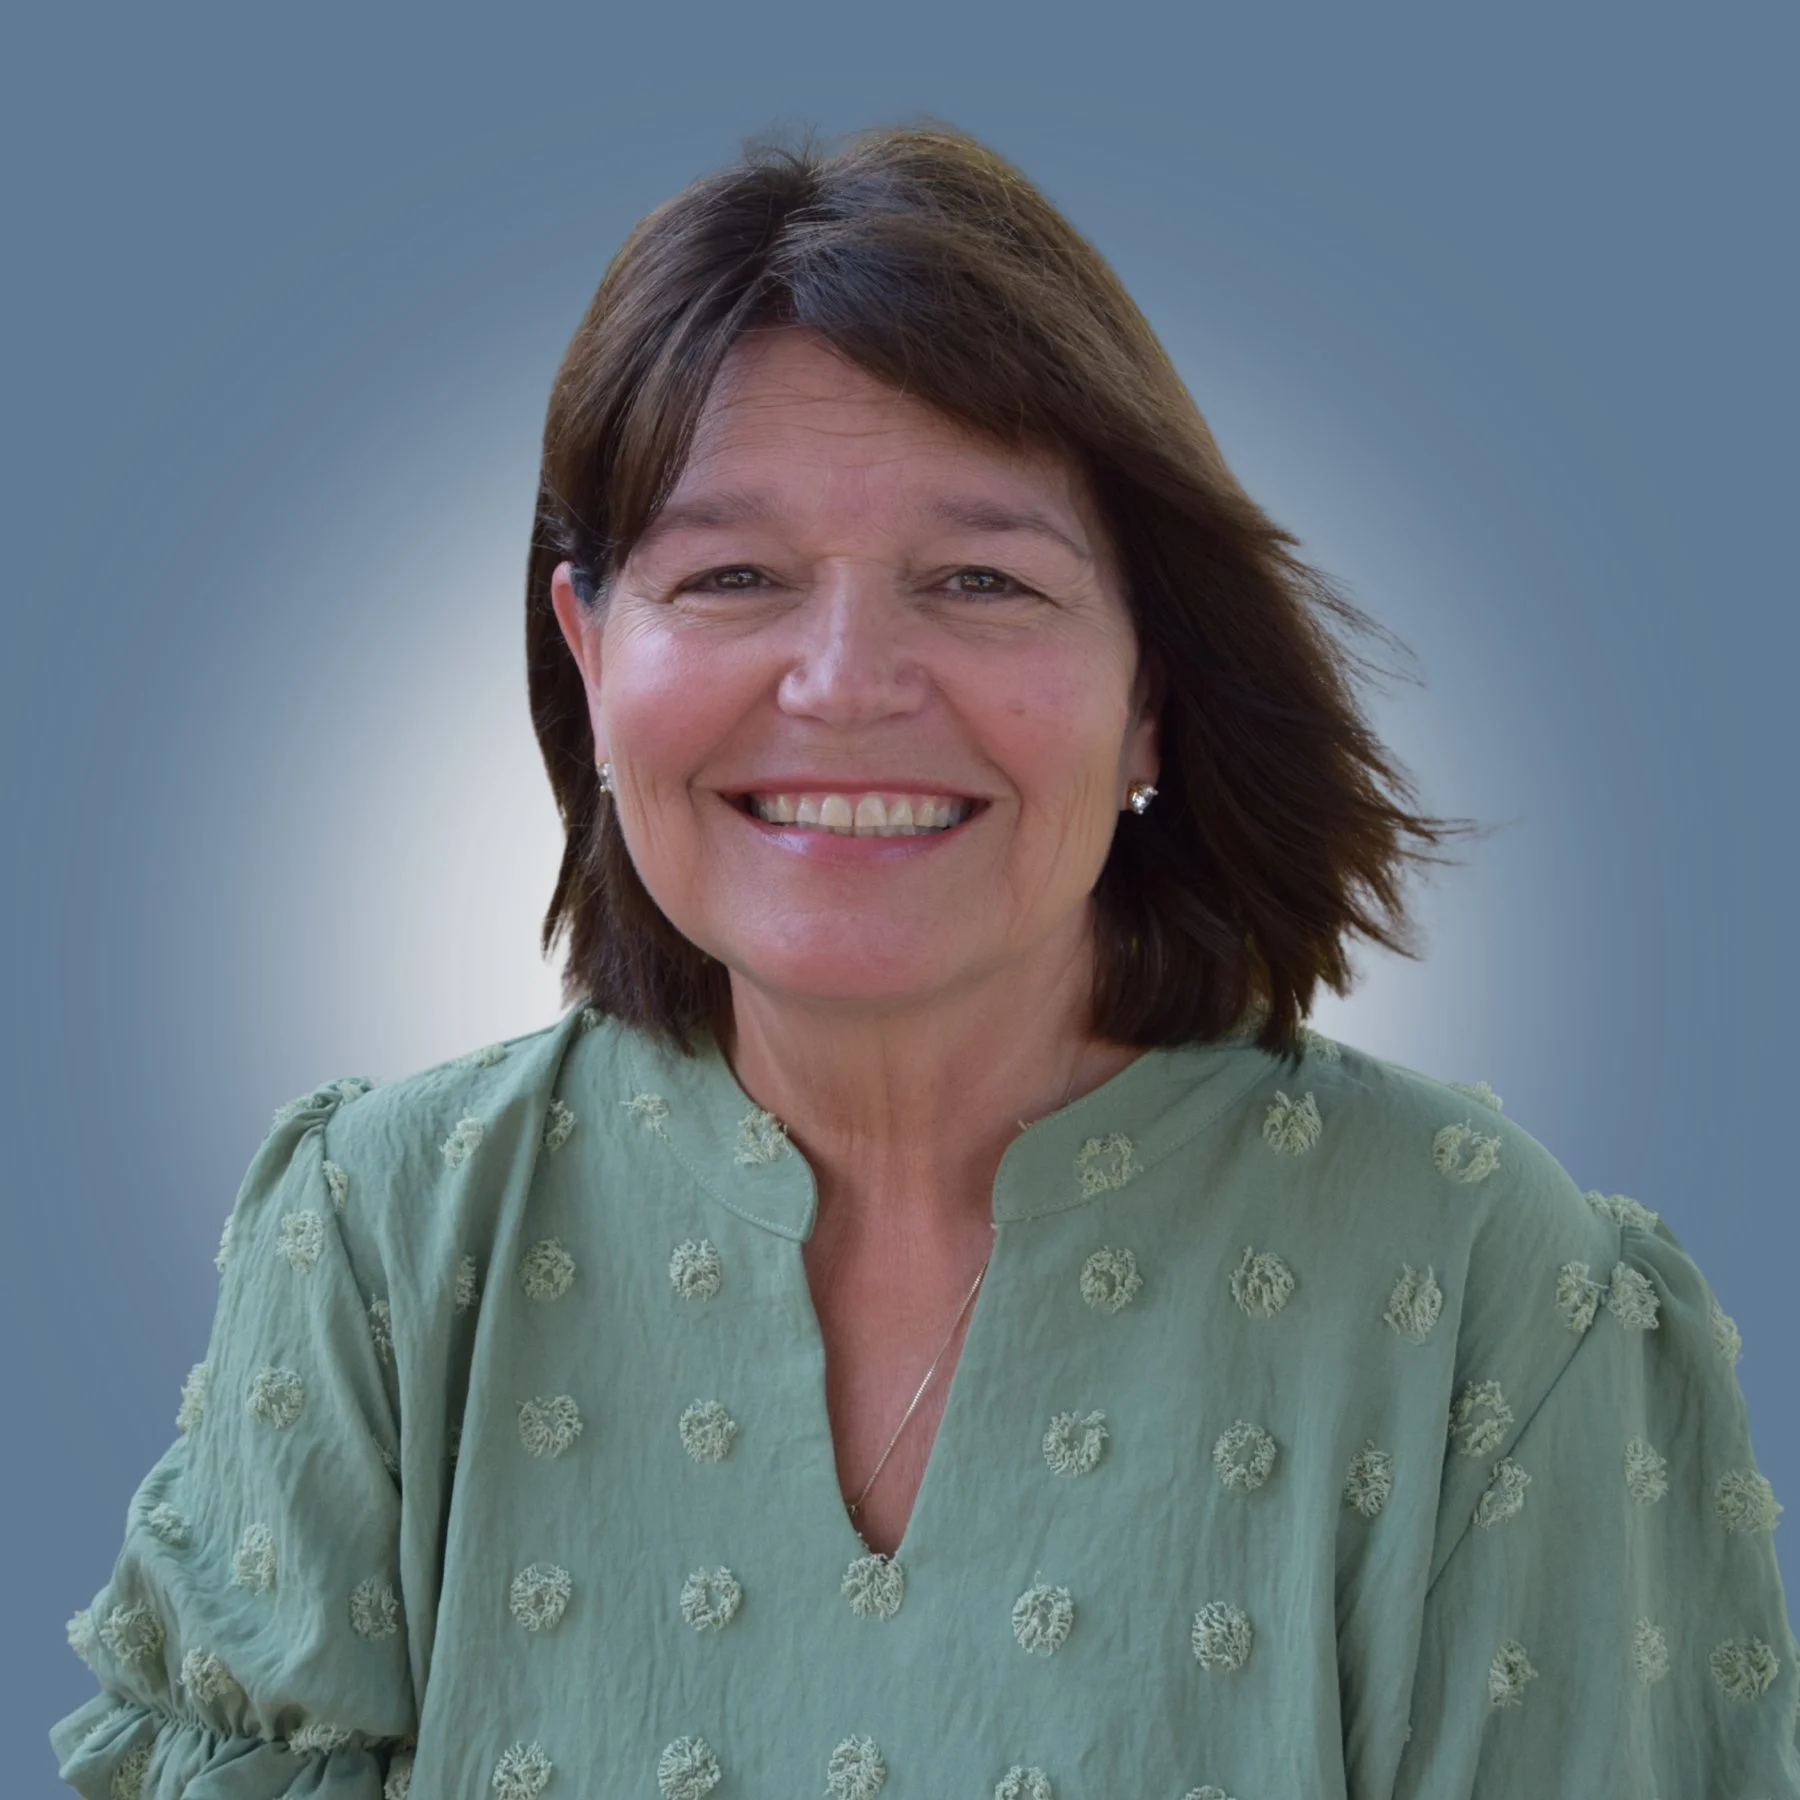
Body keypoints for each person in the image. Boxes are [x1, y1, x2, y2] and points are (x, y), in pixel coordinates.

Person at [52, 121, 1797, 1800]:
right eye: (733, 574)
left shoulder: (1483, 1282)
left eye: (978, 582)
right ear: (590, 657)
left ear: (1153, 690)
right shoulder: (384, 1237)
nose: (844, 685)